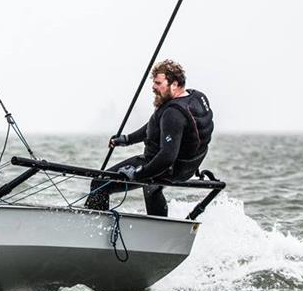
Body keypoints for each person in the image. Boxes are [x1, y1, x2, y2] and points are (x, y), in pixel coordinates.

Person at [85, 59, 214, 217]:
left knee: (100, 183)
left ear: (174, 84)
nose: (153, 87)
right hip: (187, 168)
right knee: (151, 188)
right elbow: (159, 126)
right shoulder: (196, 97)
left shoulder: (173, 114)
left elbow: (166, 157)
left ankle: (94, 230)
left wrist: (138, 174)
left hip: (165, 167)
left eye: (158, 83)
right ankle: (159, 228)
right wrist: (127, 139)